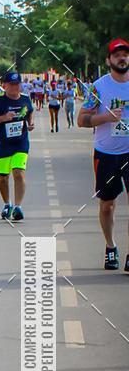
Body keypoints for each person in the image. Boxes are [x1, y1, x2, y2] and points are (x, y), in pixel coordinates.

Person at [78, 38, 129, 271]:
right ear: (109, 60)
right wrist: (106, 117)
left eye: (125, 54)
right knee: (107, 204)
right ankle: (110, 247)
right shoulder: (98, 88)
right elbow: (82, 120)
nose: (122, 58)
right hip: (106, 154)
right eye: (117, 55)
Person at [0, 69, 34, 221]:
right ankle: (7, 204)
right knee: (3, 177)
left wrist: (31, 122)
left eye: (17, 84)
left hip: (20, 143)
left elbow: (30, 112)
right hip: (2, 144)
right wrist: (4, 118)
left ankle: (18, 207)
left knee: (19, 172)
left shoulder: (25, 99)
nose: (14, 87)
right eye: (11, 84)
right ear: (4, 85)